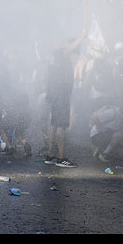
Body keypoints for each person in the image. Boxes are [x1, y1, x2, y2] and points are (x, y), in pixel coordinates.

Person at [44, 34, 85, 168]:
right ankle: (61, 158)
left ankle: (50, 155)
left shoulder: (53, 56)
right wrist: (83, 34)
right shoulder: (62, 52)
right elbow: (71, 46)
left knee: (53, 124)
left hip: (55, 94)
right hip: (61, 95)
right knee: (61, 125)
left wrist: (49, 93)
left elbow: (49, 76)